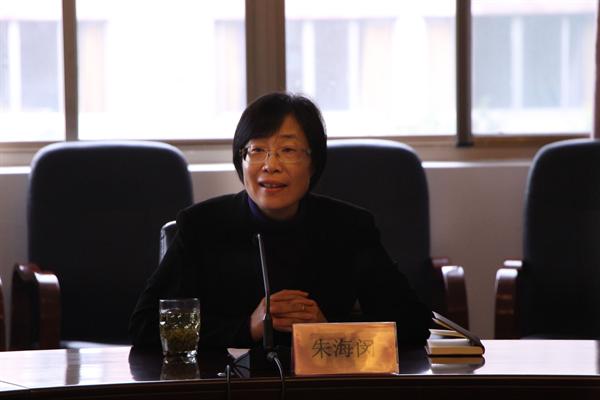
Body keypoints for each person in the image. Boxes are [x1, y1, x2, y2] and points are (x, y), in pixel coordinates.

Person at [129, 92, 432, 349]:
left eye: (287, 150)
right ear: (241, 160)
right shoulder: (202, 226)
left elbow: (414, 325)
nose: (270, 165)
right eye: (257, 150)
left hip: (322, 387)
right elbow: (145, 328)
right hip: (230, 388)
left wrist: (328, 331)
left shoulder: (350, 228)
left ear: (313, 162)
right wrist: (247, 328)